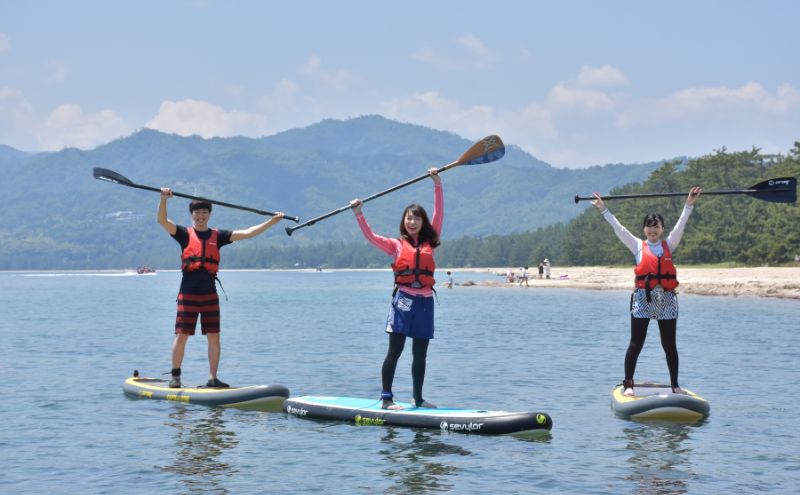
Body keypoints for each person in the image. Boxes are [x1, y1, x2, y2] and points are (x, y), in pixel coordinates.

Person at [158, 188, 284, 388]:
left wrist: (271, 221)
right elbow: (163, 221)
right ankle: (175, 377)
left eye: (204, 213)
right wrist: (163, 200)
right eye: (197, 213)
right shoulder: (183, 234)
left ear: (209, 215)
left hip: (209, 295)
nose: (200, 216)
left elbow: (248, 233)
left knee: (214, 337)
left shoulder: (219, 236)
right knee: (181, 336)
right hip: (188, 293)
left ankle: (212, 378)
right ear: (192, 215)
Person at [591, 186, 702, 396]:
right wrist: (603, 209)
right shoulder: (637, 246)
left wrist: (689, 204)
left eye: (656, 226)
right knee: (636, 344)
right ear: (644, 229)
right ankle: (629, 385)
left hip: (666, 300)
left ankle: (675, 386)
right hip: (643, 299)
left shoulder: (669, 243)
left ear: (661, 228)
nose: (652, 230)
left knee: (670, 345)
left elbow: (681, 224)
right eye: (649, 227)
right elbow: (619, 228)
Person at [349, 168, 442, 410]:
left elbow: (439, 213)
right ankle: (386, 398)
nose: (412, 222)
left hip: (424, 304)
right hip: (403, 302)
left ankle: (418, 398)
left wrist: (437, 184)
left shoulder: (430, 242)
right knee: (395, 350)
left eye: (417, 218)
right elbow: (370, 236)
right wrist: (359, 213)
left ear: (423, 223)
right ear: (403, 221)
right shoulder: (395, 245)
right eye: (408, 218)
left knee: (420, 354)